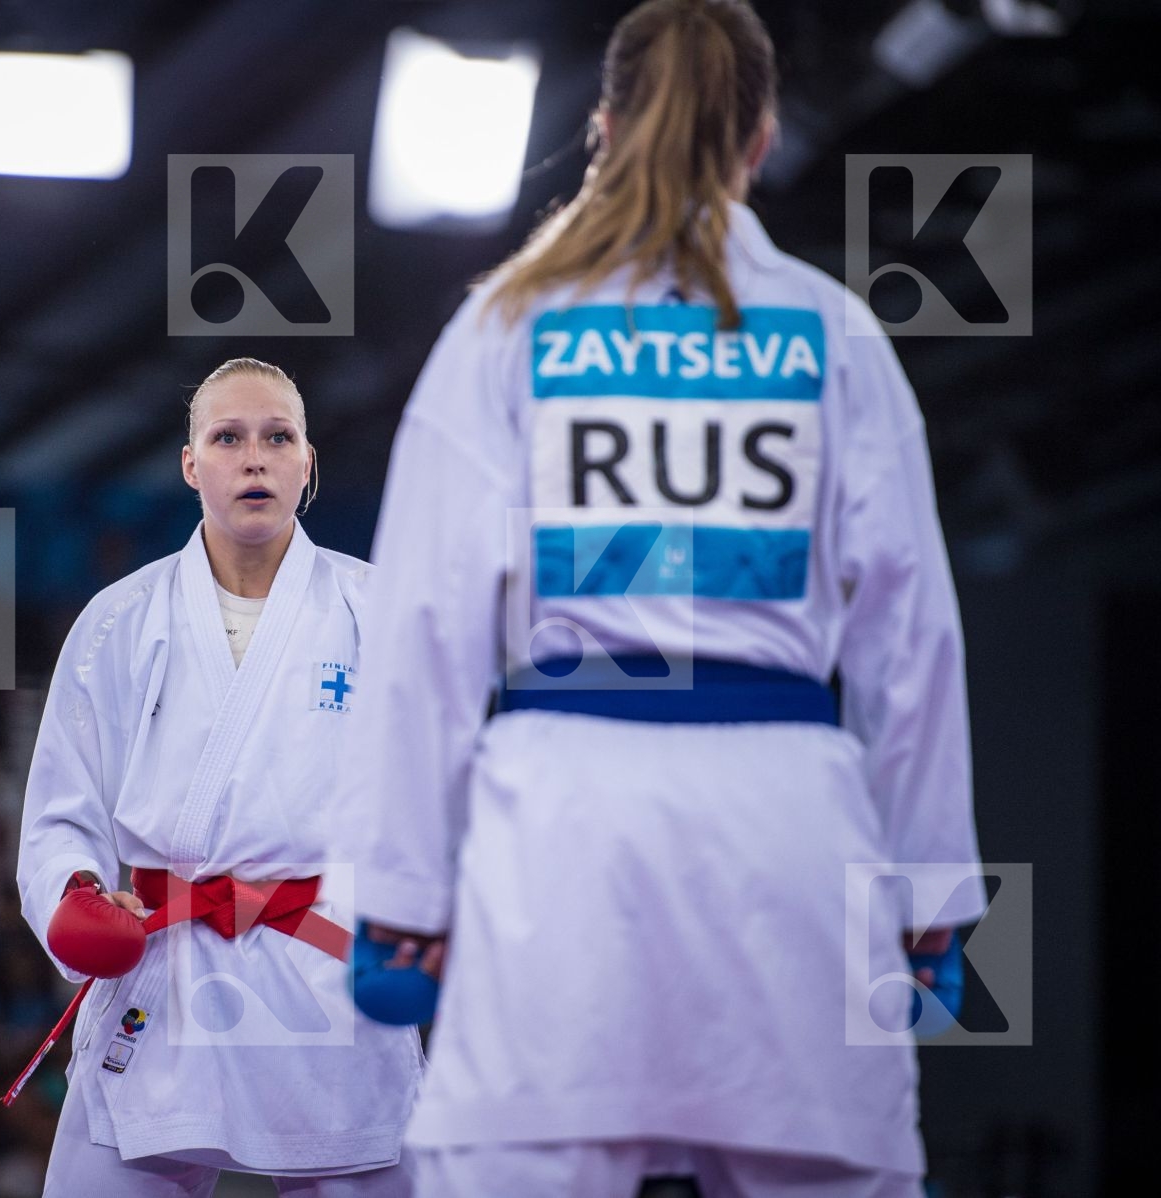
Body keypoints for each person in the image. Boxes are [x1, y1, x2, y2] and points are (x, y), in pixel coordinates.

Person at [342, 1, 988, 1195]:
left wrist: (399, 895)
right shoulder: (835, 334)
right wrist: (931, 884)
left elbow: (424, 626)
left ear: (605, 128)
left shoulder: (507, 325)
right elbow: (911, 634)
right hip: (789, 826)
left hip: (561, 831)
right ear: (760, 140)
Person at [17, 358, 421, 1196]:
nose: (254, 458)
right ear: (191, 464)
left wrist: (422, 920)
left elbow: (432, 792)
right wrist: (75, 894)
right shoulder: (119, 619)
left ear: (307, 463)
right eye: (228, 438)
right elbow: (62, 807)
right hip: (165, 964)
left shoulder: (379, 608)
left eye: (278, 437)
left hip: (329, 967)